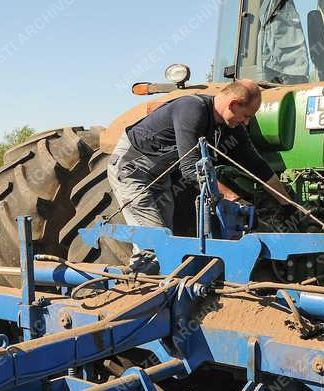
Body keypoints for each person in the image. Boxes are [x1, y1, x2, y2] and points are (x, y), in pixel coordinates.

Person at [106, 79, 291, 272]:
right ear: (233, 104)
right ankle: (140, 288)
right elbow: (190, 169)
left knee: (167, 239)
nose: (246, 122)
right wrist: (233, 199)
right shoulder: (192, 109)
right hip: (132, 169)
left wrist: (287, 204)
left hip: (160, 176)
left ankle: (160, 285)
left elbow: (258, 167)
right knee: (155, 245)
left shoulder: (232, 130)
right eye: (246, 116)